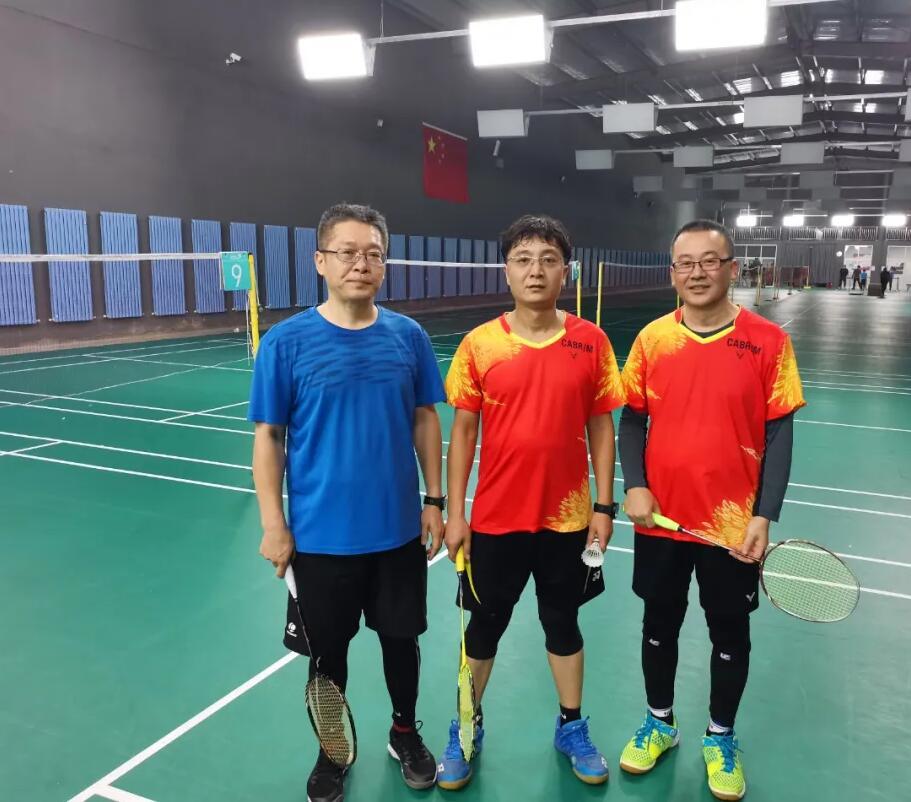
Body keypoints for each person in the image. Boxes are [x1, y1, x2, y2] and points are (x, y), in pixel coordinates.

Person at [249, 203, 446, 801]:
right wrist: (274, 524)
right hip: (319, 539)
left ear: (384, 264)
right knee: (327, 656)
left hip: (397, 533)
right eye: (347, 252)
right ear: (320, 261)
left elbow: (425, 419)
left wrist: (434, 499)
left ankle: (404, 732)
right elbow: (269, 438)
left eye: (373, 254)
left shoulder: (408, 337)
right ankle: (333, 751)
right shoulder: (285, 343)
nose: (361, 264)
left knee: (401, 643)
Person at [617, 220, 806, 801]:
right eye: (685, 263)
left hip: (731, 527)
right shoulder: (652, 339)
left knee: (729, 630)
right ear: (672, 272)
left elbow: (779, 433)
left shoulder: (768, 341)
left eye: (709, 261)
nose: (696, 273)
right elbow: (632, 419)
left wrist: (764, 514)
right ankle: (659, 723)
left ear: (732, 268)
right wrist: (635, 485)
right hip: (661, 520)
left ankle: (720, 735)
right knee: (658, 624)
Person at [438, 214, 625, 790]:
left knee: (562, 622)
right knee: (484, 628)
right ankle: (466, 725)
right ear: (507, 271)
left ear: (566, 271)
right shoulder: (480, 344)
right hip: (496, 519)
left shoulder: (591, 342)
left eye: (548, 259)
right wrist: (456, 513)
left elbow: (601, 427)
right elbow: (463, 432)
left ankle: (571, 726)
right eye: (523, 259)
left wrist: (604, 507)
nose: (535, 270)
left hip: (567, 520)